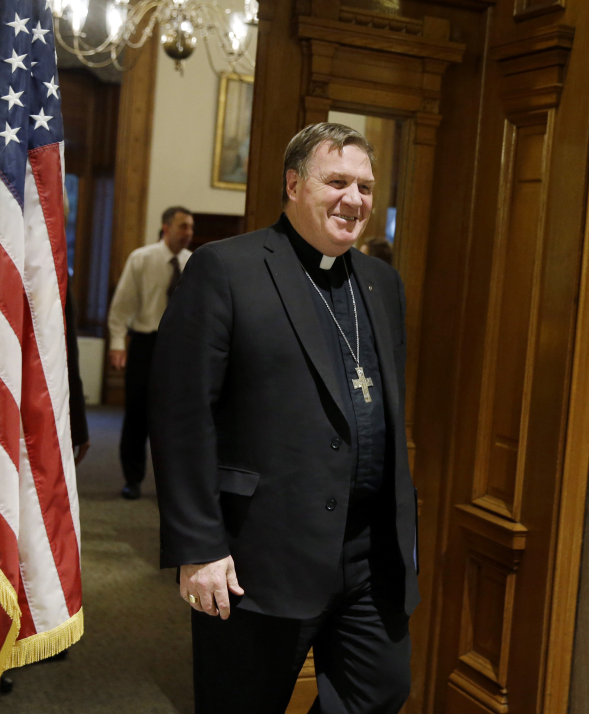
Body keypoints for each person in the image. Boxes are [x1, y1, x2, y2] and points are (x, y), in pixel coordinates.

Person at [150, 123, 419, 714]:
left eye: (367, 187)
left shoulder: (381, 284)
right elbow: (181, 414)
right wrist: (198, 545)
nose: (355, 200)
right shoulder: (227, 269)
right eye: (338, 182)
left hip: (369, 556)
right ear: (294, 184)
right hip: (258, 555)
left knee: (381, 691)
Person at [108, 206, 194, 499]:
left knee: (176, 415)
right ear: (166, 228)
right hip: (147, 343)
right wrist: (118, 344)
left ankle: (171, 483)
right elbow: (122, 306)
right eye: (183, 227)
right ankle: (132, 478)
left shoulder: (193, 262)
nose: (188, 233)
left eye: (191, 228)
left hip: (180, 347)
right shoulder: (142, 259)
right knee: (137, 413)